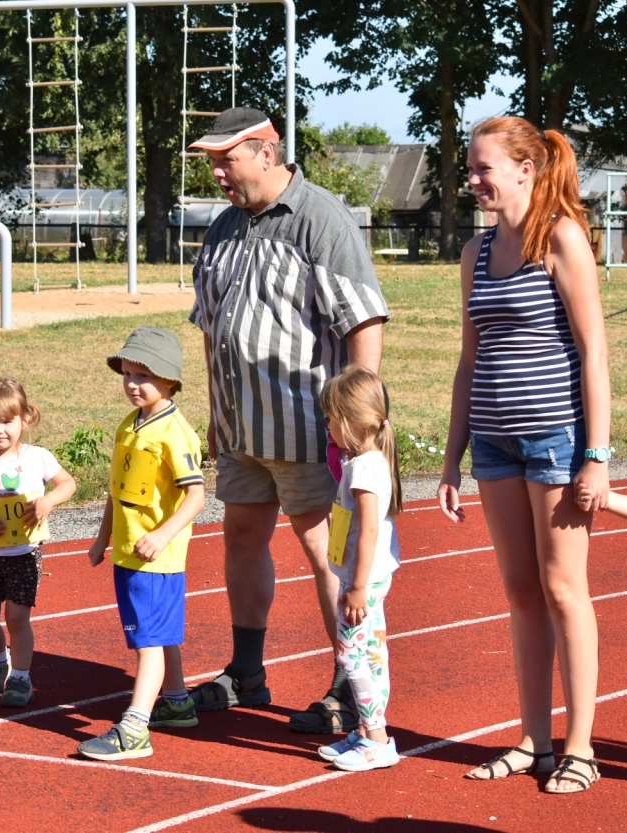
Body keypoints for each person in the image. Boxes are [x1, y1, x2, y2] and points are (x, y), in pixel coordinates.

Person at [187, 106, 390, 733]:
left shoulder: (320, 219)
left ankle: (349, 685)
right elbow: (211, 325)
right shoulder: (223, 227)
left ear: (267, 152)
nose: (217, 171)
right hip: (242, 425)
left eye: (228, 158)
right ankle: (247, 673)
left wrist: (358, 422)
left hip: (307, 426)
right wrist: (217, 411)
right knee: (241, 538)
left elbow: (363, 321)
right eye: (212, 161)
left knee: (322, 551)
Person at [437, 116, 610, 794]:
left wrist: (596, 454)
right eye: (471, 168)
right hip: (496, 444)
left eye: (484, 168)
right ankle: (534, 738)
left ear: (524, 170)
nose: (474, 180)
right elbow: (469, 357)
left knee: (565, 588)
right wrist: (452, 458)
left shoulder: (561, 237)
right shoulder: (475, 253)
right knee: (519, 592)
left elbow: (595, 351)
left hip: (557, 442)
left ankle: (582, 745)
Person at [79, 328, 206, 761]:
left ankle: (135, 728)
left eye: (144, 376)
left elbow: (196, 496)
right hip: (129, 550)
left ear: (171, 381)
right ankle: (175, 700)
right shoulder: (128, 426)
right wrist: (102, 538)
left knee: (147, 642)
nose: (132, 383)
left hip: (156, 556)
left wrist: (163, 533)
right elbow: (118, 491)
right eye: (127, 374)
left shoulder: (176, 433)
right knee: (160, 633)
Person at [0, 379, 76, 707]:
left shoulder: (37, 457)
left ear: (24, 420)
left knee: (16, 617)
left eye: (7, 421)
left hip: (26, 552)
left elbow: (67, 483)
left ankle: (21, 678)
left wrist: (48, 501)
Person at [315, 365, 402, 772]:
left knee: (351, 656)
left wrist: (356, 587)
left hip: (361, 580)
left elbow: (368, 531)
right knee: (372, 652)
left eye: (331, 418)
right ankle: (370, 733)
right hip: (368, 577)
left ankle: (377, 738)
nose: (327, 426)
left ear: (350, 421)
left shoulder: (366, 469)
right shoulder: (363, 461)